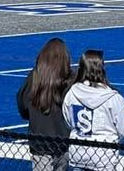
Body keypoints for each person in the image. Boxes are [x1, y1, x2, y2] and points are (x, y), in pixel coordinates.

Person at [62, 49, 124, 171]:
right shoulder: (113, 98)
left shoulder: (71, 93)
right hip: (104, 156)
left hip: (78, 152)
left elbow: (68, 121)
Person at [17, 38, 74, 171]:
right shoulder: (70, 79)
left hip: (40, 142)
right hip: (63, 140)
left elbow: (22, 104)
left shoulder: (34, 76)